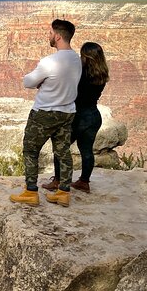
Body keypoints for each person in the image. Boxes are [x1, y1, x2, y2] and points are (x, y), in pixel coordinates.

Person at [10, 19, 82, 207]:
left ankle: (31, 192)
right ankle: (63, 192)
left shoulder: (50, 61)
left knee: (30, 150)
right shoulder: (76, 59)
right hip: (67, 113)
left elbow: (28, 82)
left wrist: (41, 82)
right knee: (63, 152)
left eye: (50, 33)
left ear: (58, 36)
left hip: (44, 113)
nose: (48, 36)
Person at [42, 42, 109, 194]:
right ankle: (84, 182)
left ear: (86, 56)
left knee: (60, 148)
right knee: (86, 151)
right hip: (93, 116)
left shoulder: (79, 74)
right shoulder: (102, 74)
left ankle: (58, 180)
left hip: (77, 117)